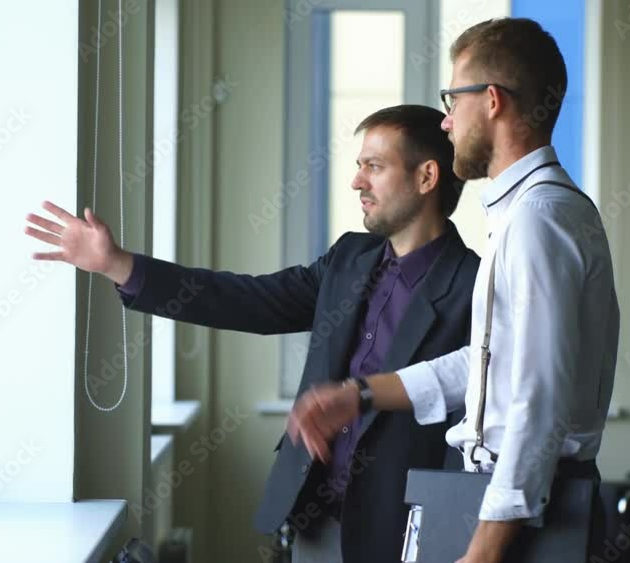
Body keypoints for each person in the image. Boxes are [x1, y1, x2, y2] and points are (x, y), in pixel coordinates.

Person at [24, 105, 478, 563]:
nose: (357, 181)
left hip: (402, 532)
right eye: (359, 166)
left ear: (426, 177)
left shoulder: (475, 286)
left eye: (374, 167)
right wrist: (119, 265)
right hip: (313, 522)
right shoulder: (349, 258)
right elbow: (250, 300)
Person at [286, 18, 620, 563]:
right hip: (508, 504)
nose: (445, 121)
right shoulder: (527, 212)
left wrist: (483, 551)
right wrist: (361, 394)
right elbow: (491, 364)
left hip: (523, 518)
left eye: (453, 100)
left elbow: (536, 403)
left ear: (491, 101)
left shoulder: (538, 219)